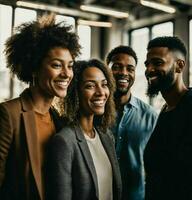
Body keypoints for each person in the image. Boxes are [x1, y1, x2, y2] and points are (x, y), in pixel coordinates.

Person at [0, 15, 81, 200]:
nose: (67, 74)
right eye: (56, 65)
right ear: (34, 68)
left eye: (70, 66)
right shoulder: (8, 114)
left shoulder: (60, 121)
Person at [46, 59, 122, 200]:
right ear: (75, 92)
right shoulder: (64, 141)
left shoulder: (106, 136)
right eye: (90, 86)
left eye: (104, 85)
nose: (100, 92)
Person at [144, 36, 192, 200]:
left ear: (179, 66)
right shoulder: (167, 109)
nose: (149, 70)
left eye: (158, 63)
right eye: (147, 64)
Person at [106, 45, 158, 200]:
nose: (124, 73)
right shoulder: (93, 113)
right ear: (106, 71)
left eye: (130, 68)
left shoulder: (150, 116)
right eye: (117, 67)